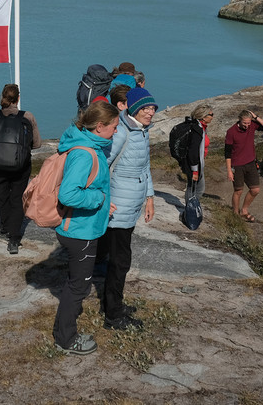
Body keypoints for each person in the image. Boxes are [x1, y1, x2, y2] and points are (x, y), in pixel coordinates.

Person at [53, 100, 119, 355]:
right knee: (78, 286)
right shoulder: (85, 152)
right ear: (100, 126)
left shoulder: (89, 145)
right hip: (80, 231)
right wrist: (99, 200)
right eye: (113, 127)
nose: (115, 132)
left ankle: (65, 332)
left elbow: (90, 185)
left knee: (76, 283)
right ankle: (66, 339)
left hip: (82, 226)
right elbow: (69, 194)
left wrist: (104, 204)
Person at [99, 87, 157, 331]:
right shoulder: (121, 133)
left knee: (116, 258)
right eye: (146, 108)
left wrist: (150, 197)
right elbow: (102, 167)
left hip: (132, 205)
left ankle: (113, 305)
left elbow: (145, 167)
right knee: (120, 262)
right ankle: (113, 315)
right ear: (133, 109)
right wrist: (104, 198)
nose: (150, 113)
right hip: (118, 208)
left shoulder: (141, 132)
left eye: (153, 108)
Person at [0, 83, 41, 253]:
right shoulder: (28, 116)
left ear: (3, 97)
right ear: (18, 98)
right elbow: (37, 144)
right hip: (21, 164)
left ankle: (5, 227)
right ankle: (14, 238)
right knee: (18, 198)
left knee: (2, 195)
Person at [224, 109, 263, 221]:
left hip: (250, 163)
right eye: (245, 123)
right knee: (238, 191)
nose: (247, 125)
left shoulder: (252, 125)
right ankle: (235, 214)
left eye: (248, 123)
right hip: (237, 166)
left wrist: (256, 117)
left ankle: (244, 210)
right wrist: (229, 170)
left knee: (255, 190)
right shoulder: (231, 132)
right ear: (239, 120)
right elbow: (227, 153)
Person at [186, 104, 214, 199]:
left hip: (197, 163)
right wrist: (195, 170)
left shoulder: (201, 127)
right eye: (211, 115)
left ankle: (189, 210)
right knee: (197, 189)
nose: (212, 117)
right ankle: (190, 211)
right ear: (204, 117)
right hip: (195, 165)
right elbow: (193, 150)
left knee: (193, 188)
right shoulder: (197, 129)